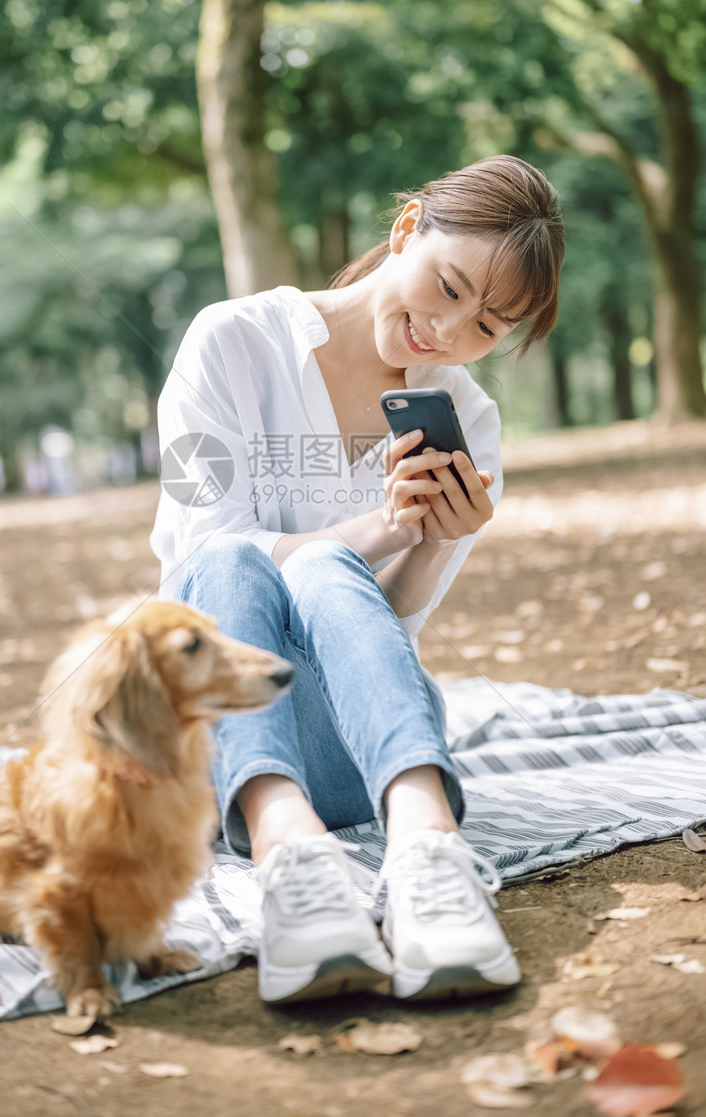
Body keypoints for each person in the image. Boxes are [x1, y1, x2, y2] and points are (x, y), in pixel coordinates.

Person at [148, 155, 565, 1005]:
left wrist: (434, 544)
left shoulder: (469, 420)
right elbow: (199, 554)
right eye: (447, 287)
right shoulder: (231, 342)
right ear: (406, 228)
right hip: (214, 738)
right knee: (232, 558)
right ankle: (291, 864)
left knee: (333, 569)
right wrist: (376, 528)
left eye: (488, 325)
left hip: (352, 748)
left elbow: (393, 625)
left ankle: (428, 854)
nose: (448, 333)